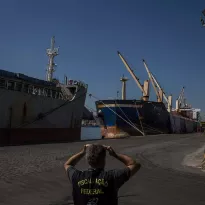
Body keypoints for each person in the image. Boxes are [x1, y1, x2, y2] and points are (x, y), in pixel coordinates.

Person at [64, 143, 141, 205]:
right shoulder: (112, 177)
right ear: (103, 160)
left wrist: (83, 152)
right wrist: (115, 155)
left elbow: (68, 164)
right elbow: (135, 164)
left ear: (88, 159)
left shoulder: (77, 177)